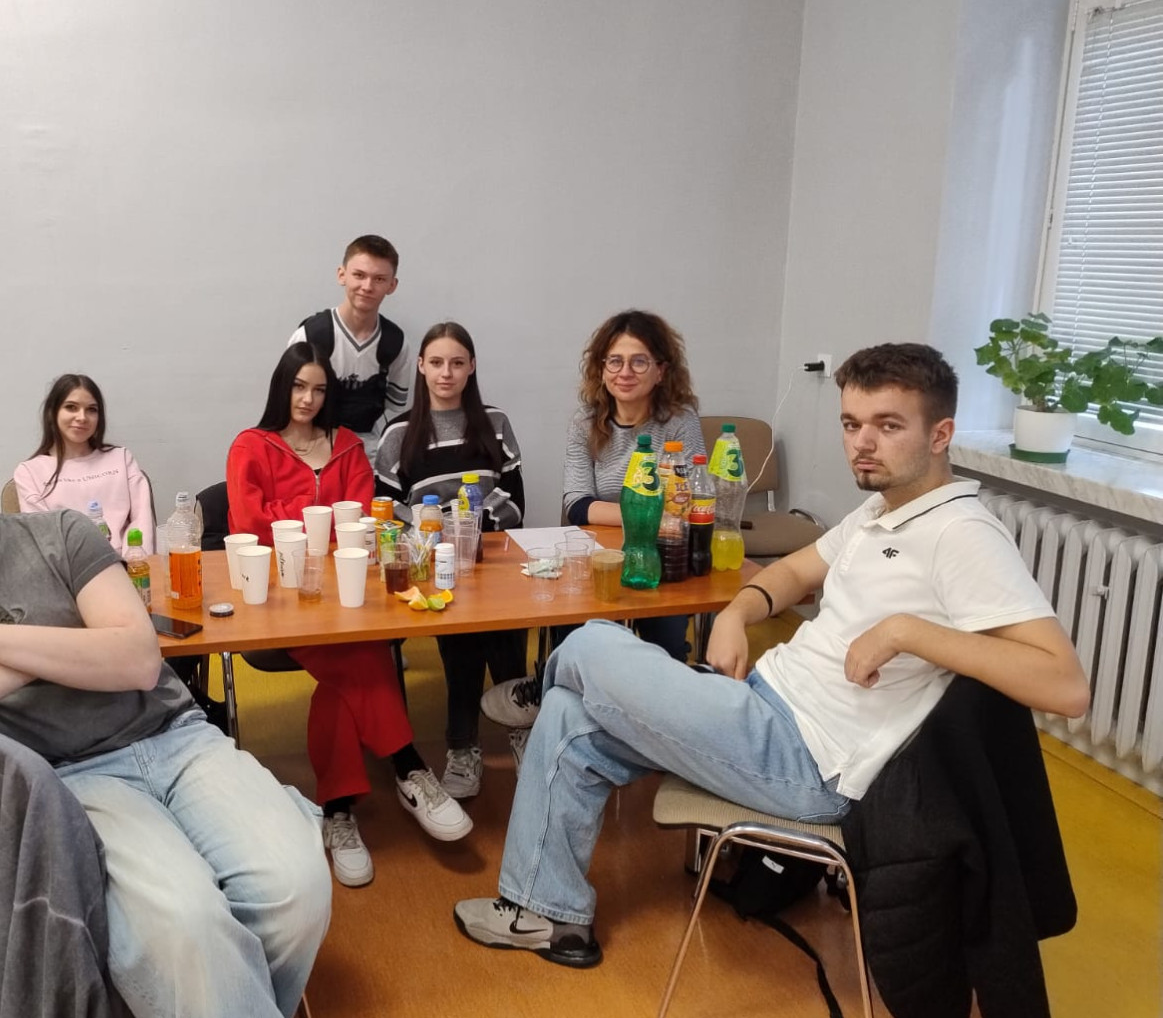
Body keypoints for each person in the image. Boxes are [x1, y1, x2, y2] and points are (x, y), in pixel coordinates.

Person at [454, 344, 1088, 967]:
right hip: (762, 707)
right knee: (570, 718)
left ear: (940, 434)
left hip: (809, 763)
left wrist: (907, 632)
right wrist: (737, 612)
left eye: (888, 425)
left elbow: (1065, 686)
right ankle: (550, 916)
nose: (863, 443)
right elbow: (792, 571)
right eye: (851, 424)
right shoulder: (881, 512)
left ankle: (539, 687)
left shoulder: (962, 533)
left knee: (592, 641)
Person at [0, 382, 330, 1018]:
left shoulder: (62, 534)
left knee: (296, 889)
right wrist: (66, 645)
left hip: (177, 739)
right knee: (188, 922)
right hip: (74, 778)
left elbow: (136, 661)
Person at [228, 344, 472, 887]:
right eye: (298, 386)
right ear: (282, 387)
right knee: (360, 653)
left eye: (319, 389)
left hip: (348, 591)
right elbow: (249, 522)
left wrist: (293, 517)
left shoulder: (347, 447)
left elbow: (358, 520)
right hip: (280, 595)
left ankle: (337, 812)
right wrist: (318, 521)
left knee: (347, 665)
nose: (308, 399)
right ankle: (409, 766)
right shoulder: (251, 445)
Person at [481, 309, 703, 736]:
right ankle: (563, 701)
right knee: (573, 623)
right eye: (614, 361)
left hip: (660, 552)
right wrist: (646, 514)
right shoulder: (585, 422)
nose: (625, 372)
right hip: (596, 552)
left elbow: (684, 504)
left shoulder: (679, 422)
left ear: (661, 370)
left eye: (639, 361)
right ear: (601, 369)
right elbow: (578, 504)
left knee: (667, 638)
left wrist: (643, 519)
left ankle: (655, 720)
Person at [375, 321, 528, 801]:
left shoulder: (495, 422)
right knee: (461, 640)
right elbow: (387, 508)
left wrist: (469, 529)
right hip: (434, 564)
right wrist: (437, 533)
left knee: (505, 636)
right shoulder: (399, 433)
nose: (447, 373)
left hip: (492, 559)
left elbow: (514, 498)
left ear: (472, 367)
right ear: (421, 366)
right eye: (437, 362)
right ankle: (462, 748)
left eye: (457, 363)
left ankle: (525, 736)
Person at [287, 234, 414, 458]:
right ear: (342, 275)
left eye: (379, 279)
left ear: (392, 285)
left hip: (368, 453)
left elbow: (396, 409)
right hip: (309, 450)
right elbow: (287, 405)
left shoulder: (395, 343)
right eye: (359, 275)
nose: (367, 286)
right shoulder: (310, 336)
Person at [12, 372, 155, 553]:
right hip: (68, 568)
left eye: (91, 410)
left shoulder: (121, 458)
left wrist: (131, 563)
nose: (82, 417)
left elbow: (142, 520)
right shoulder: (29, 472)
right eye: (71, 407)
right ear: (52, 412)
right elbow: (44, 538)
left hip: (130, 563)